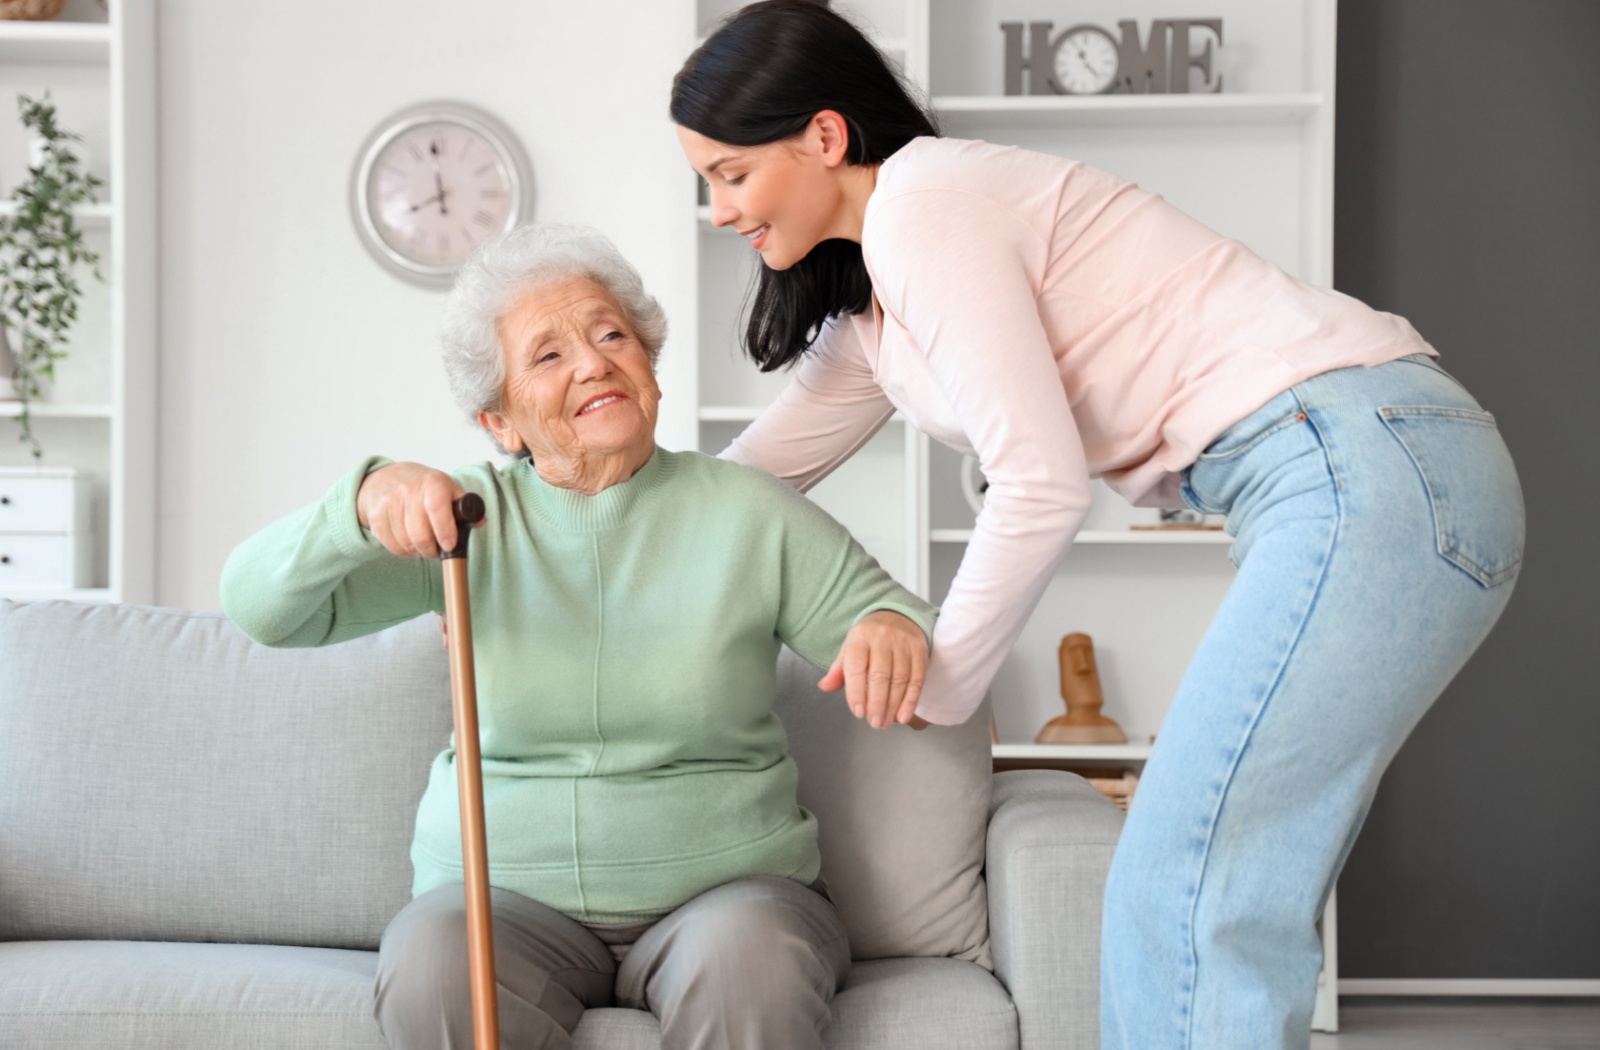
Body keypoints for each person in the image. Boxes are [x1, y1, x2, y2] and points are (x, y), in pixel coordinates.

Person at [670, 3, 1525, 1048]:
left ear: (823, 135)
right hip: (1369, 467)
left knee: (1186, 888)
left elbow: (1039, 483)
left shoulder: (924, 204)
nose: (718, 212)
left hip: (1359, 463)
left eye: (729, 174)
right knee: (1209, 890)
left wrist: (936, 688)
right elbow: (743, 484)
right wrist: (549, 510)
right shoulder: (874, 316)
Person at [219, 222, 937, 1050]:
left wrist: (890, 630)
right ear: (501, 422)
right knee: (432, 965)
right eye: (549, 356)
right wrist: (356, 504)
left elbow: (901, 625)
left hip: (730, 897)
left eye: (611, 335)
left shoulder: (748, 513)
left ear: (649, 366)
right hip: (499, 903)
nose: (595, 362)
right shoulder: (458, 520)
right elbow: (259, 609)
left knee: (757, 966)